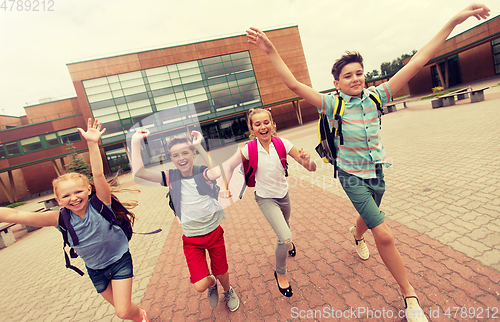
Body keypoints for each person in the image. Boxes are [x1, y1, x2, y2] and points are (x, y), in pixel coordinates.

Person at [246, 3, 490, 321]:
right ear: (336, 82)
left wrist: (455, 20)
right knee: (384, 234)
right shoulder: (332, 105)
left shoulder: (378, 96)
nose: (356, 78)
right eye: (348, 75)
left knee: (368, 219)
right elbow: (294, 84)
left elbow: (419, 61)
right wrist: (271, 51)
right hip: (350, 176)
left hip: (377, 172)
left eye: (360, 73)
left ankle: (356, 233)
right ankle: (410, 298)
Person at [0, 118, 149, 322]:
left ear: (88, 190)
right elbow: (17, 215)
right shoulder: (59, 218)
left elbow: (97, 173)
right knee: (124, 309)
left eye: (78, 191)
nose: (74, 198)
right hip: (95, 270)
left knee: (122, 312)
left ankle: (139, 316)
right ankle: (139, 316)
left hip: (119, 261)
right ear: (58, 200)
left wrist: (92, 143)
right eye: (66, 196)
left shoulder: (100, 203)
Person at [130, 129, 240, 312]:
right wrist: (135, 141)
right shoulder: (170, 177)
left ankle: (228, 290)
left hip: (214, 233)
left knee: (222, 271)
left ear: (193, 154)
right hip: (191, 239)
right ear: (171, 158)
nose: (180, 157)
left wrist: (199, 145)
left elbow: (216, 173)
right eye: (175, 155)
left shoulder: (201, 172)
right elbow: (140, 172)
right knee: (200, 285)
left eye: (185, 152)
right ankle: (212, 283)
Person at [222, 108, 316, 297]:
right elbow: (228, 167)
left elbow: (311, 169)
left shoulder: (283, 144)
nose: (263, 127)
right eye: (257, 124)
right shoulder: (249, 149)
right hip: (265, 198)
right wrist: (226, 187)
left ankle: (288, 244)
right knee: (285, 237)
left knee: (286, 226)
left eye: (266, 122)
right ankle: (280, 273)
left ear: (272, 124)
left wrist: (308, 160)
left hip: (284, 195)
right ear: (252, 128)